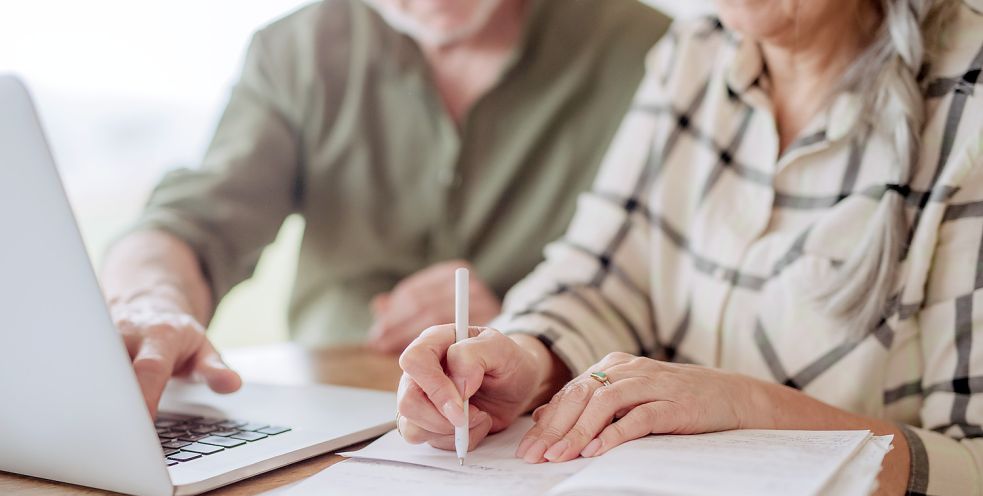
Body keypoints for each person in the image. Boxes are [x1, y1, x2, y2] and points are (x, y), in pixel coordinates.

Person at [396, 0, 983, 496]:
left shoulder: (969, 99)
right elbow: (598, 277)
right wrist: (525, 361)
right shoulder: (695, 50)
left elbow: (975, 485)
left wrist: (748, 407)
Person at [101, 0, 670, 415]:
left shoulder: (655, 54)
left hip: (542, 419)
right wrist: (151, 301)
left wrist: (525, 318)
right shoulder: (296, 49)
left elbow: (676, 294)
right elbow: (195, 221)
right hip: (321, 413)